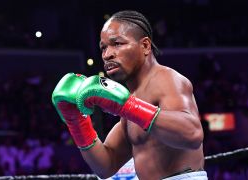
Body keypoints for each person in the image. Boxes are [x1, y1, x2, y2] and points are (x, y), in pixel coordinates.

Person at [52, 10, 206, 179]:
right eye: (103, 47)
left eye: (117, 43)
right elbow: (106, 166)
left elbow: (192, 135)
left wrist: (128, 107)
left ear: (145, 46)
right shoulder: (131, 104)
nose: (107, 54)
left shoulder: (166, 79)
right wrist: (77, 122)